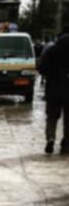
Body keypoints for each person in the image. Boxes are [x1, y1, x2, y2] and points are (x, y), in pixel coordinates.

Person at [38, 27, 69, 155]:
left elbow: (41, 68)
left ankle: (50, 138)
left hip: (53, 90)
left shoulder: (52, 50)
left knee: (52, 116)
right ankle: (66, 143)